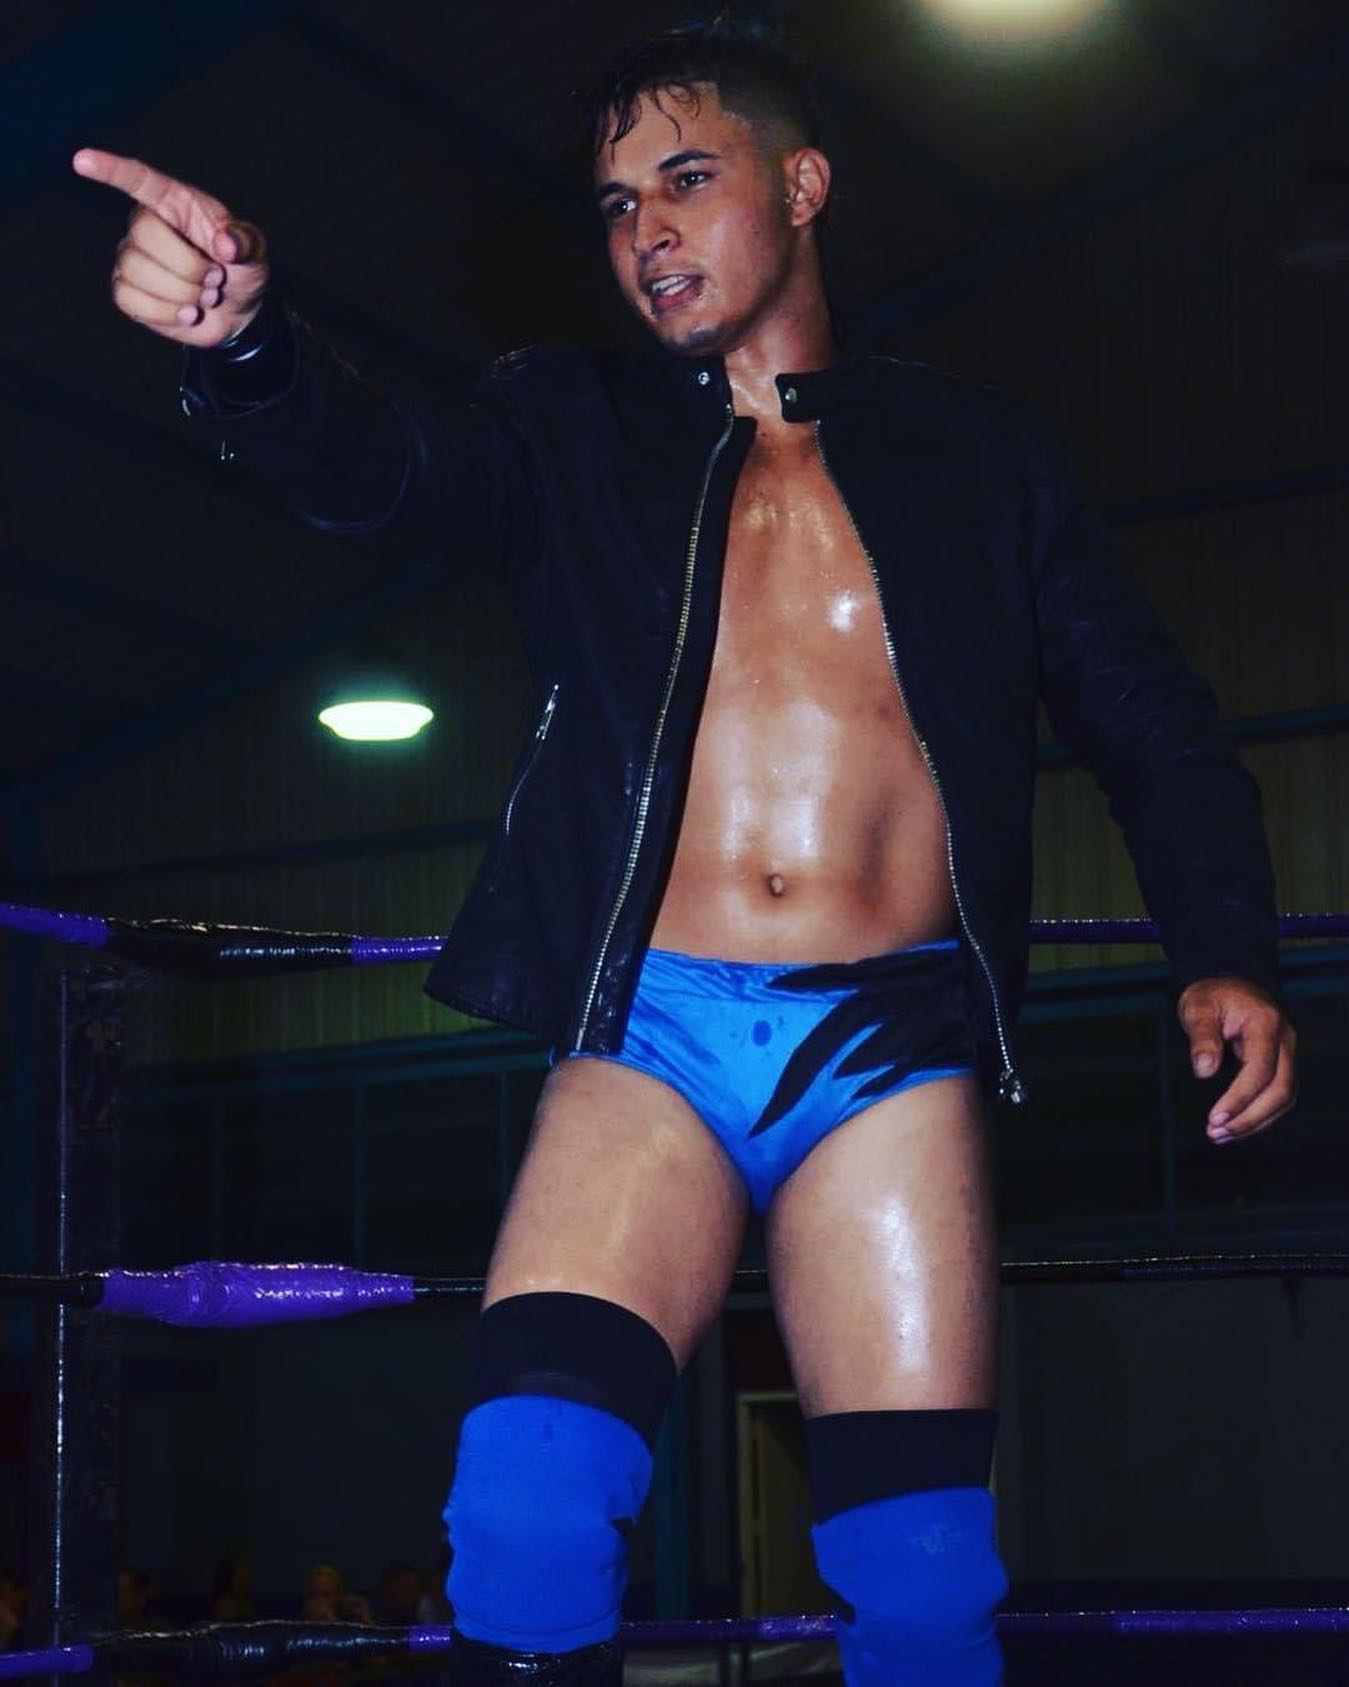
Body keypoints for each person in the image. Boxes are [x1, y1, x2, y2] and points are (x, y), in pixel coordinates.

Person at [73, 15, 1297, 1684]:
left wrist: (1223, 945)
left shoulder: (977, 458)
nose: (644, 229)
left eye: (686, 179)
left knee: (922, 1575)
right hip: (649, 1033)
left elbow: (1150, 722)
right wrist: (245, 346)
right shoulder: (564, 423)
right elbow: (380, 472)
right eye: (612, 203)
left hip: (889, 1044)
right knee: (525, 1517)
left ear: (801, 187)